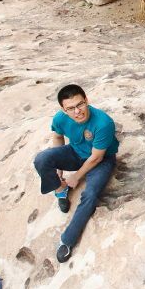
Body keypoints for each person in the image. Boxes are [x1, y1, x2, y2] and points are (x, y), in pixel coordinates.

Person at [33, 85, 119, 263]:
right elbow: (58, 137)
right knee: (42, 159)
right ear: (63, 110)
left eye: (80, 104)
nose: (77, 111)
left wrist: (76, 177)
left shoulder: (103, 123)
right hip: (75, 152)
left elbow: (96, 158)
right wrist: (59, 172)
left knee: (90, 194)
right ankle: (60, 190)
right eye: (70, 108)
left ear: (86, 100)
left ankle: (68, 240)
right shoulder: (61, 118)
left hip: (100, 161)